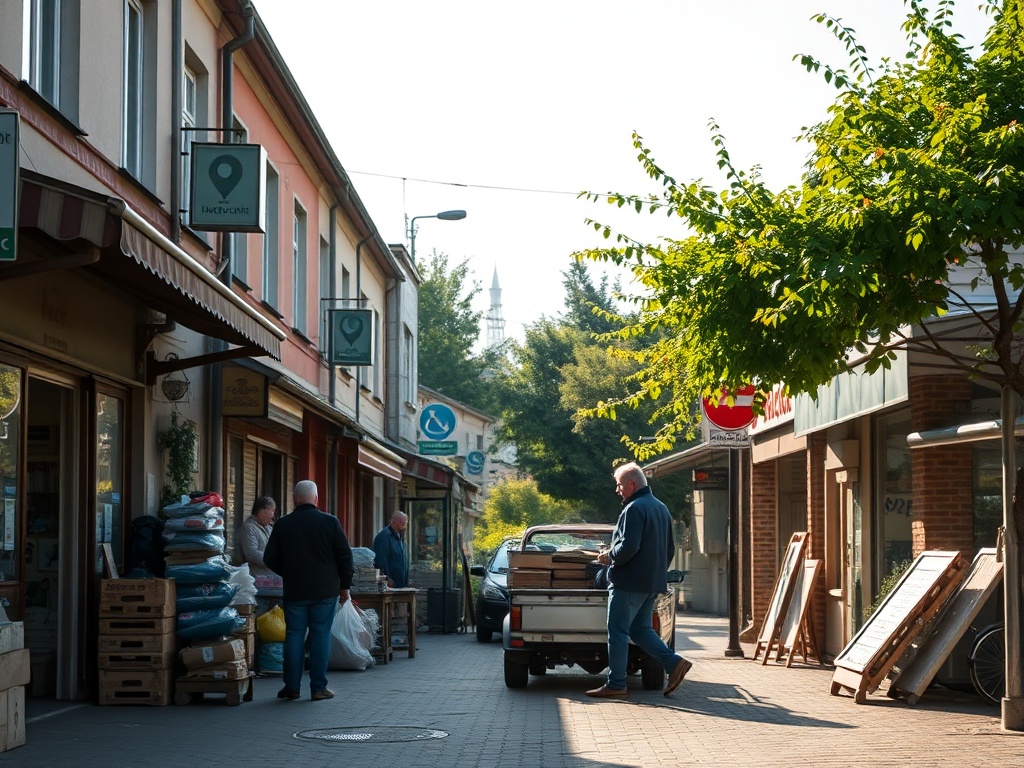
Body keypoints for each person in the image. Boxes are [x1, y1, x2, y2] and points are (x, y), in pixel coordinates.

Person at [586, 462, 693, 700]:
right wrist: (656, 572)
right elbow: (669, 549)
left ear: (632, 484)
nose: (617, 490)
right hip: (651, 583)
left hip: (628, 582)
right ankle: (674, 664)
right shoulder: (661, 508)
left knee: (617, 631)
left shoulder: (633, 509)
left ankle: (616, 684)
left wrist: (608, 556)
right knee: (640, 629)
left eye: (619, 485)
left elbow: (629, 546)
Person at [263, 480, 353, 702]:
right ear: (316, 499)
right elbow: (345, 556)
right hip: (325, 591)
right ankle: (319, 688)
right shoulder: (330, 522)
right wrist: (344, 586)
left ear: (295, 499)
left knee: (294, 636)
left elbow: (269, 558)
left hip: (295, 591)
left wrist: (288, 572)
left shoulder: (283, 524)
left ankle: (292, 687)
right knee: (321, 636)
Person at [238, 496, 276, 578]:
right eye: (272, 512)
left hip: (270, 577)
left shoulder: (269, 528)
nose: (273, 516)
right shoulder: (248, 528)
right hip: (256, 577)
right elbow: (252, 553)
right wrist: (274, 561)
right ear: (261, 512)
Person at [372, 511, 408, 588]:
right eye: (402, 523)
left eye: (405, 523)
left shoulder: (399, 538)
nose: (404, 526)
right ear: (393, 522)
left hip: (400, 583)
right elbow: (380, 559)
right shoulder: (384, 536)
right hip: (390, 584)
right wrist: (386, 578)